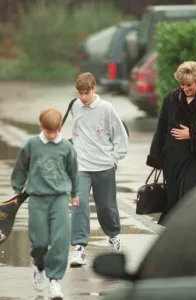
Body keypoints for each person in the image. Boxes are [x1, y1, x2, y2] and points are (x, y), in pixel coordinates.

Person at [10, 108, 79, 299]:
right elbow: (21, 167)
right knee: (39, 241)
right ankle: (39, 266)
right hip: (37, 198)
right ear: (41, 126)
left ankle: (55, 281)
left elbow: (73, 170)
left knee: (60, 240)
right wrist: (17, 190)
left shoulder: (65, 147)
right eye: (48, 131)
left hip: (59, 197)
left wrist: (75, 193)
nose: (51, 135)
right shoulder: (32, 144)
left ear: (59, 128)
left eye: (55, 131)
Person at [146, 61, 196, 225]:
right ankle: (175, 235)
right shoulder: (171, 99)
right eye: (182, 84)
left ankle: (189, 231)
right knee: (174, 199)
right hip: (173, 160)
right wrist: (156, 158)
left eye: (189, 85)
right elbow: (161, 129)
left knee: (188, 196)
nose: (185, 88)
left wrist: (192, 134)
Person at [69, 72, 128, 266]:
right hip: (81, 165)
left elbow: (120, 135)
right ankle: (79, 248)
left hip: (104, 165)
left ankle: (113, 237)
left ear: (94, 89)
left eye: (86, 92)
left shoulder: (107, 109)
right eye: (80, 93)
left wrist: (115, 159)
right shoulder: (75, 106)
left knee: (106, 207)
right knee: (80, 204)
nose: (83, 97)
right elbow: (78, 131)